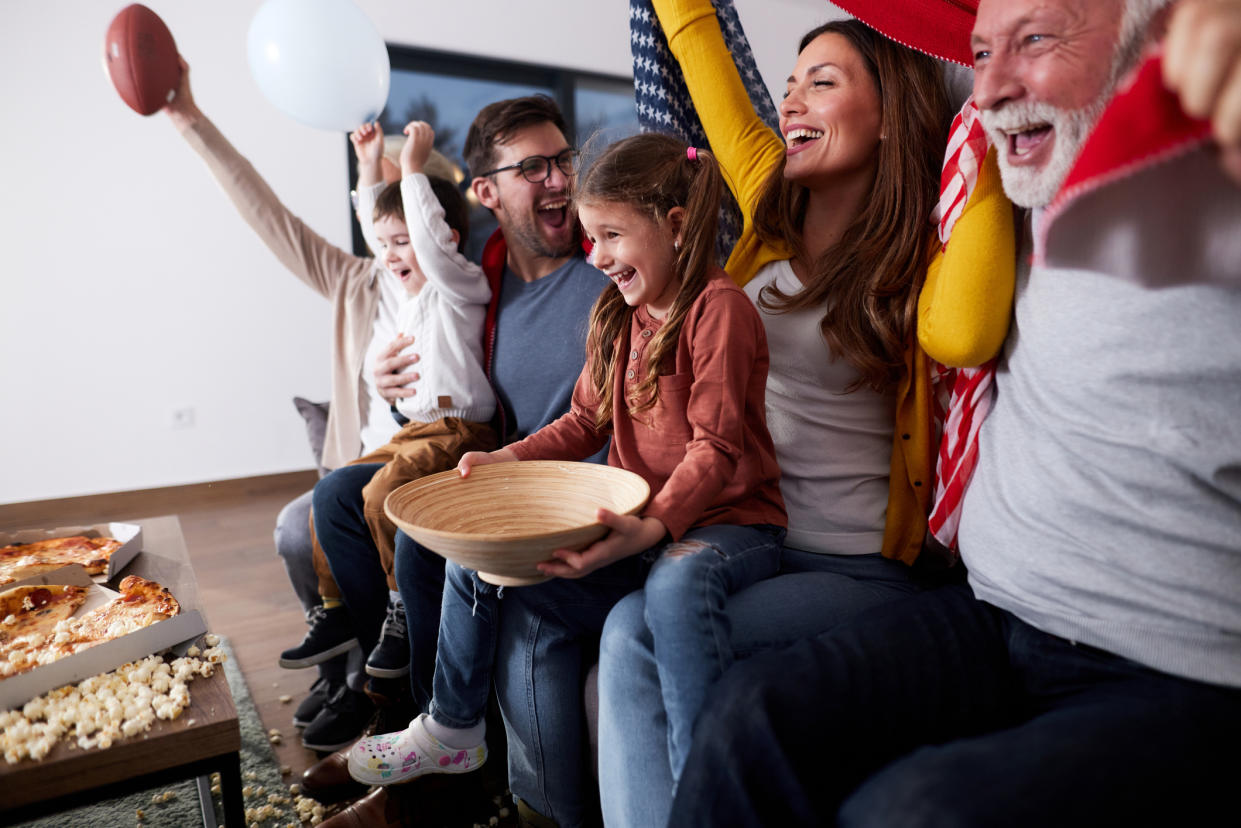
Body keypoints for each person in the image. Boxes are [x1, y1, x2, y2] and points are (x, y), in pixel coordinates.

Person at [666, 0, 1241, 825]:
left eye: (1032, 42)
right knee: (748, 716)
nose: (988, 86)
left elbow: (959, 330)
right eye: (977, 54)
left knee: (912, 810)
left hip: (1171, 659)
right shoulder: (1022, 164)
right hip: (997, 611)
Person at [596, 3, 1015, 824]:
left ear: (890, 116)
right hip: (755, 542)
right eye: (788, 86)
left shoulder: (925, 247)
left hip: (858, 566)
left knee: (643, 626)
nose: (788, 102)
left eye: (819, 84)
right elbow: (698, 47)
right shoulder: (767, 201)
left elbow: (963, 332)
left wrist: (988, 133)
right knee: (620, 626)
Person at [344, 133, 787, 791]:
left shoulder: (717, 310)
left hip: (731, 526)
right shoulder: (617, 314)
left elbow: (715, 448)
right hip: (644, 526)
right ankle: (453, 728)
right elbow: (583, 423)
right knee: (476, 560)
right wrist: (504, 459)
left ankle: (703, 784)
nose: (596, 256)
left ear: (673, 226)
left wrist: (655, 527)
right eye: (589, 238)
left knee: (671, 583)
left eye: (611, 235)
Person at [309, 95, 609, 827]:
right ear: (486, 192)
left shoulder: (606, 273)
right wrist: (381, 375)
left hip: (573, 493)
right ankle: (412, 730)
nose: (557, 180)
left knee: (427, 545)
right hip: (502, 470)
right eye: (532, 167)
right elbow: (405, 275)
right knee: (359, 510)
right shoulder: (487, 277)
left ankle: (437, 780)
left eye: (563, 160)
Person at [162, 58, 413, 747]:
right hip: (346, 479)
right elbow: (265, 212)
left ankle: (370, 686)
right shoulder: (353, 281)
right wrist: (190, 119)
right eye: (378, 217)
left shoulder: (449, 300)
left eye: (405, 211)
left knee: (346, 525)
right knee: (292, 527)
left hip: (406, 485)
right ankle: (341, 671)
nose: (392, 236)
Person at [278, 120, 498, 704]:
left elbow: (419, 235)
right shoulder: (404, 291)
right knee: (330, 495)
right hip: (414, 430)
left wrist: (414, 169)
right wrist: (369, 169)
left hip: (460, 430)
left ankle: (399, 607)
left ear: (445, 238)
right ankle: (334, 611)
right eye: (387, 245)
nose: (392, 255)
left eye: (406, 243)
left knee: (381, 500)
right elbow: (383, 234)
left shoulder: (458, 282)